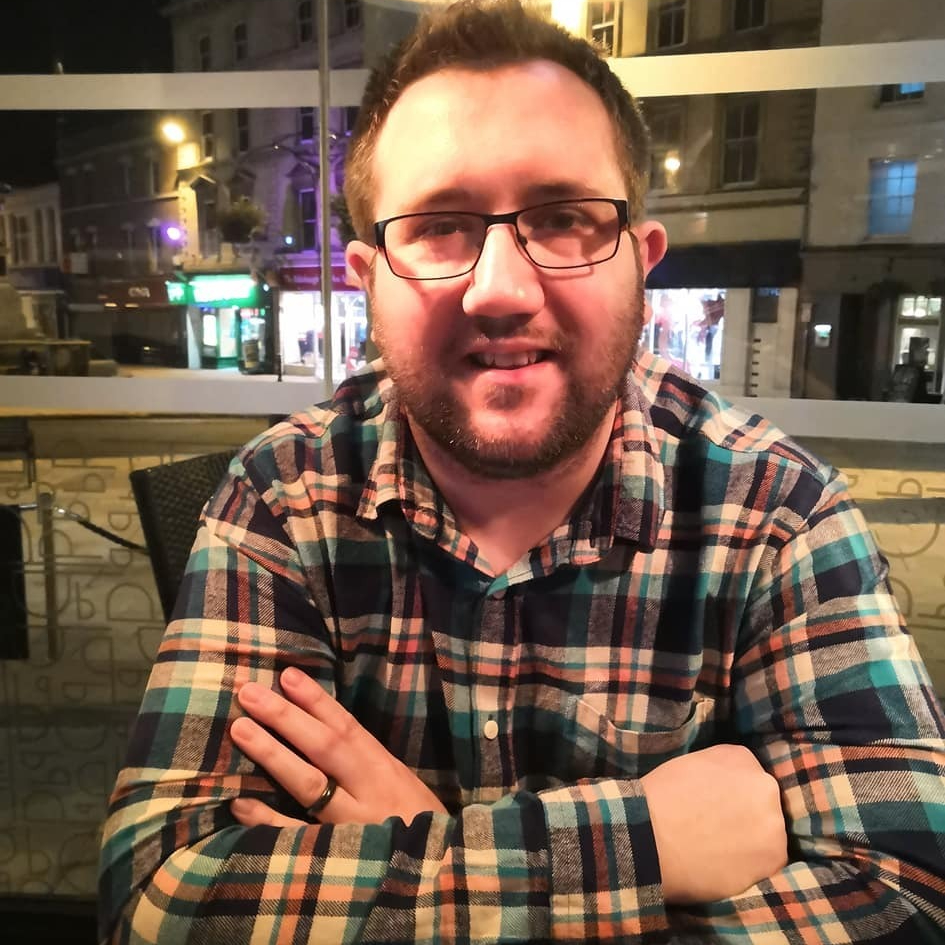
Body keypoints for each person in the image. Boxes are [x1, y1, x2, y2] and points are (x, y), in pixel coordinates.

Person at [98, 1, 945, 941]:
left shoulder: (776, 511)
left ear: (641, 262)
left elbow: (907, 900)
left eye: (567, 219)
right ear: (367, 277)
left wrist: (412, 839)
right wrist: (647, 844)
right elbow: (159, 899)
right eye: (439, 226)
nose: (501, 288)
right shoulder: (283, 495)